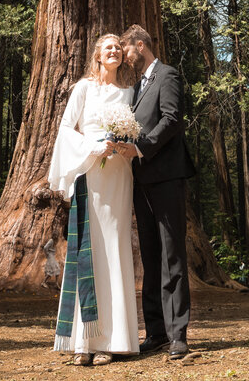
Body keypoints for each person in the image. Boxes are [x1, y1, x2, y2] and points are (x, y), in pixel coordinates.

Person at [48, 33, 140, 366]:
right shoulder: (84, 88)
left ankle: (112, 340)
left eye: (118, 47)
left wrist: (123, 144)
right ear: (98, 56)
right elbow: (64, 128)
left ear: (122, 56)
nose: (114, 51)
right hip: (91, 172)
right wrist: (91, 148)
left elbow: (136, 133)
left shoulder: (130, 93)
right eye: (108, 48)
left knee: (114, 249)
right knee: (89, 250)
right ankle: (83, 341)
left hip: (118, 176)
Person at [115, 24, 195, 361]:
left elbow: (172, 119)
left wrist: (142, 147)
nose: (124, 57)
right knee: (149, 257)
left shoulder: (168, 75)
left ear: (139, 45)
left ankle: (178, 335)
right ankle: (157, 332)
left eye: (127, 50)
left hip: (166, 178)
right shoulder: (134, 89)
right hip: (141, 181)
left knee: (171, 255)